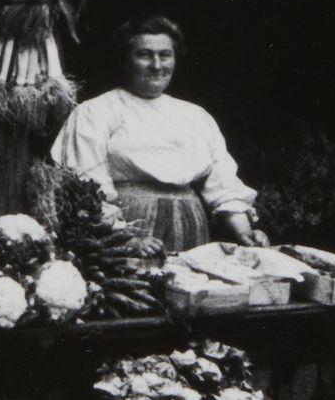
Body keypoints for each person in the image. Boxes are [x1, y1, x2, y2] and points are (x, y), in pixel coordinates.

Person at [50, 17, 258, 255]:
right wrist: (123, 237)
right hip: (126, 231)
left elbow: (223, 184)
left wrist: (243, 231)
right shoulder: (95, 112)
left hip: (191, 231)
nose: (157, 65)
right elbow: (87, 186)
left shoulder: (195, 116)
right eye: (145, 55)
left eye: (165, 55)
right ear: (125, 60)